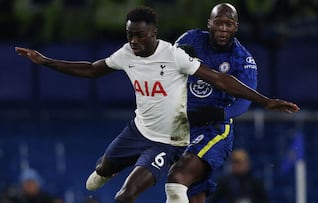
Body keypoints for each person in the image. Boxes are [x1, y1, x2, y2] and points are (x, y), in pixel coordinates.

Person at [15, 6, 299, 203]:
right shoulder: (136, 50)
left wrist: (265, 101)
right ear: (208, 23)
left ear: (154, 33)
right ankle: (105, 170)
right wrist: (45, 61)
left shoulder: (179, 55)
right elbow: (91, 69)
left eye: (139, 35)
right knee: (102, 171)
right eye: (129, 35)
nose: (133, 41)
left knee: (170, 186)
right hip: (141, 129)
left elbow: (221, 81)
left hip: (184, 134)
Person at [165, 3, 274, 203]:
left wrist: (218, 115)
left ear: (236, 27)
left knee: (177, 179)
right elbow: (166, 69)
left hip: (214, 129)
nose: (223, 28)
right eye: (218, 23)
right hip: (182, 126)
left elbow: (245, 101)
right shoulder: (191, 39)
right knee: (193, 193)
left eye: (228, 24)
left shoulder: (243, 59)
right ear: (209, 24)